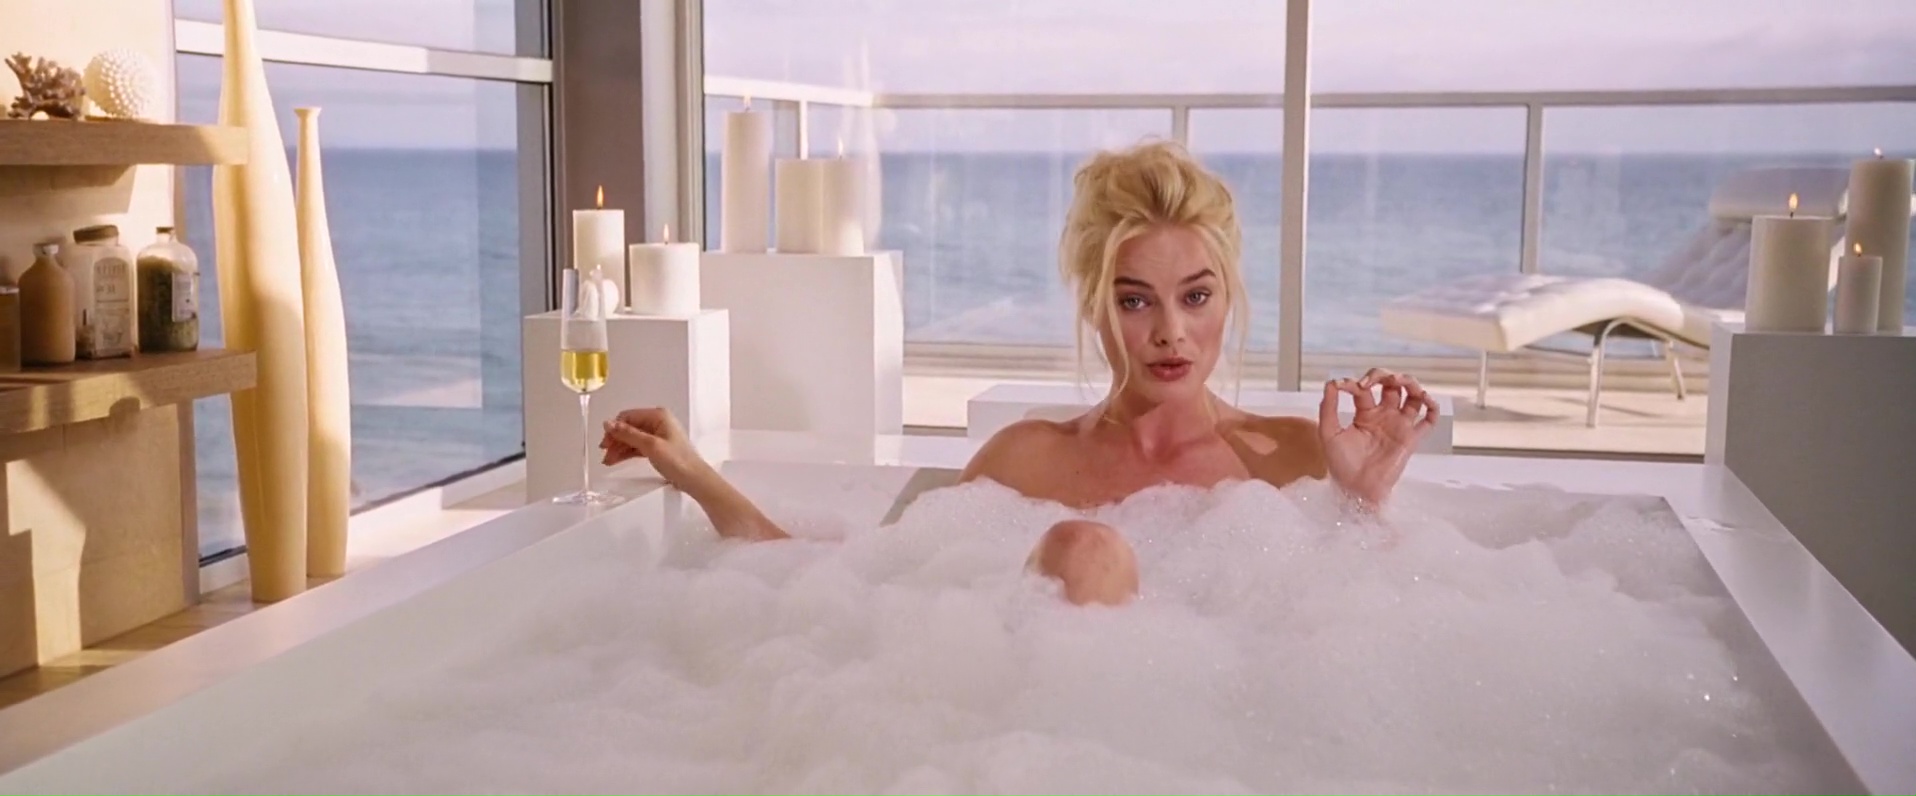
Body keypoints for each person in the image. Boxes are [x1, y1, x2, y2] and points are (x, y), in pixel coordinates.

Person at [599, 140, 1439, 607]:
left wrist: (1363, 508)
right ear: (1094, 307)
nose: (1171, 332)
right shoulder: (1027, 459)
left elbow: (1374, 631)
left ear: (1229, 297)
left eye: (1196, 296)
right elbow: (848, 585)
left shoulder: (1292, 458)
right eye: (1136, 300)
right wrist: (695, 473)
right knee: (1085, 549)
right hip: (1035, 743)